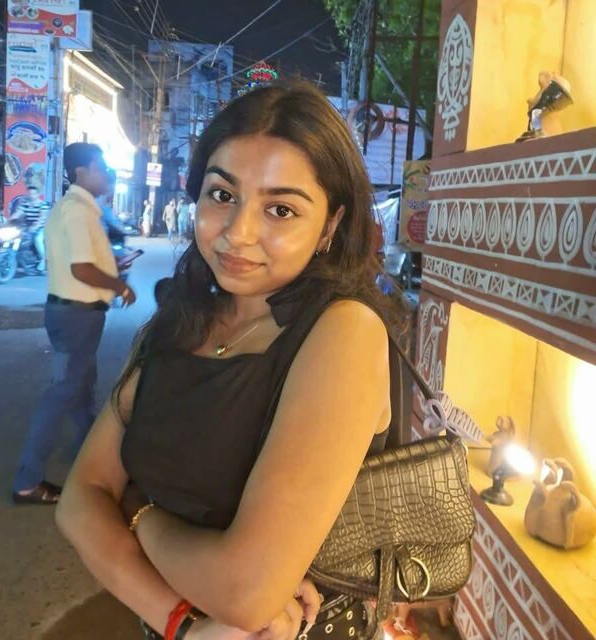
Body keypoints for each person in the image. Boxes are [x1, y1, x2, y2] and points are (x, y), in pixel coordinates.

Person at [56, 84, 406, 640]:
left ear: (331, 226)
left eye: (281, 209)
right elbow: (78, 501)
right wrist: (182, 622)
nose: (238, 233)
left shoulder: (344, 332)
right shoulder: (184, 319)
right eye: (222, 195)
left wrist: (138, 511)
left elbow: (244, 594)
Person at [12, 142, 137, 505]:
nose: (106, 174)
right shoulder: (78, 212)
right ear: (81, 171)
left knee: (81, 390)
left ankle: (94, 455)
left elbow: (81, 262)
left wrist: (113, 265)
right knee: (62, 393)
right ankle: (27, 482)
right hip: (76, 317)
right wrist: (120, 285)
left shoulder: (75, 208)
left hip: (77, 314)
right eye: (101, 167)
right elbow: (81, 268)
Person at [12, 185, 49, 272]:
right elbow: (17, 214)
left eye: (33, 194)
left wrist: (35, 226)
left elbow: (42, 218)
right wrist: (9, 221)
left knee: (38, 240)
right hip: (27, 228)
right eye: (30, 194)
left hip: (41, 228)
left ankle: (43, 260)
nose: (31, 195)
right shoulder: (25, 204)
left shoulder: (43, 205)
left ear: (38, 194)